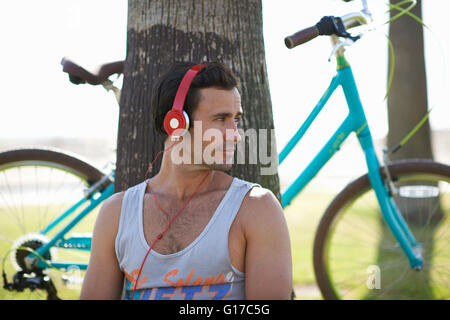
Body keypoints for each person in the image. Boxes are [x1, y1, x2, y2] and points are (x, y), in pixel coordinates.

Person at [80, 61, 292, 300]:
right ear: (177, 123)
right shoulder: (116, 214)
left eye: (236, 119)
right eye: (221, 119)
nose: (235, 134)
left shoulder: (256, 208)